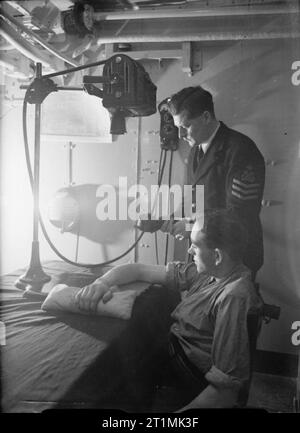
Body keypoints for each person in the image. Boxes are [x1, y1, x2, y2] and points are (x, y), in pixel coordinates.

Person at [75, 210, 263, 411]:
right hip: (171, 355)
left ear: (217, 255)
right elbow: (139, 270)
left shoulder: (233, 296)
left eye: (195, 246)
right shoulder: (211, 273)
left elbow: (225, 394)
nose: (190, 250)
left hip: (185, 378)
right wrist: (101, 283)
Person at [160, 86, 265, 280]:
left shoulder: (240, 149)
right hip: (206, 254)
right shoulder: (195, 152)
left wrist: (191, 224)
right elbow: (195, 198)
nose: (181, 135)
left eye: (186, 126)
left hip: (233, 258)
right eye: (177, 128)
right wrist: (176, 219)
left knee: (230, 307)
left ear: (206, 117)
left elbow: (238, 213)